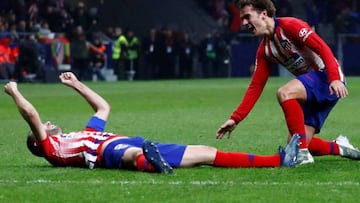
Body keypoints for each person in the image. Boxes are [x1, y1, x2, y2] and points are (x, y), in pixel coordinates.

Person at [4, 71, 300, 174]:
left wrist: (77, 85)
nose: (50, 122)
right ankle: (152, 165)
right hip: (108, 152)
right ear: (38, 142)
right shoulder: (54, 149)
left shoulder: (81, 134)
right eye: (45, 126)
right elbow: (32, 115)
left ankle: (277, 161)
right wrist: (14, 91)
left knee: (206, 152)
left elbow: (103, 107)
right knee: (134, 155)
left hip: (125, 141)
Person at [216, 0, 359, 165]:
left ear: (263, 13)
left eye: (247, 17)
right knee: (299, 141)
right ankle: (341, 147)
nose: (244, 23)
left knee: (285, 92)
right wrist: (235, 119)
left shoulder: (290, 25)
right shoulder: (265, 50)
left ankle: (302, 156)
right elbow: (255, 86)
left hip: (326, 78)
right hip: (311, 89)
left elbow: (322, 47)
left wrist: (334, 78)